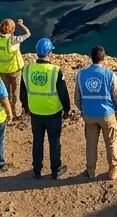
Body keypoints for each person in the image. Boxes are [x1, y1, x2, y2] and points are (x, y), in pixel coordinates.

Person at [21, 38, 71, 180]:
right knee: (54, 141)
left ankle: (36, 170)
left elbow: (23, 92)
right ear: (50, 53)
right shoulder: (55, 71)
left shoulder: (27, 69)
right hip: (53, 112)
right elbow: (63, 93)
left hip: (35, 111)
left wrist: (26, 107)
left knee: (37, 141)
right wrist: (67, 109)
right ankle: (56, 169)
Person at [76, 45, 117, 180]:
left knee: (91, 143)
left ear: (91, 57)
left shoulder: (81, 75)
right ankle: (113, 170)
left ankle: (90, 171)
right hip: (107, 114)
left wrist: (84, 109)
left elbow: (77, 98)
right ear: (104, 58)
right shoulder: (109, 74)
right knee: (111, 142)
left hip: (89, 115)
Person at [0, 18, 30, 117]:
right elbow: (28, 34)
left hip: (2, 69)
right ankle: (16, 113)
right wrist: (21, 25)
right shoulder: (12, 40)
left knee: (6, 93)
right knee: (16, 93)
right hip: (15, 69)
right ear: (12, 30)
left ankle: (7, 112)